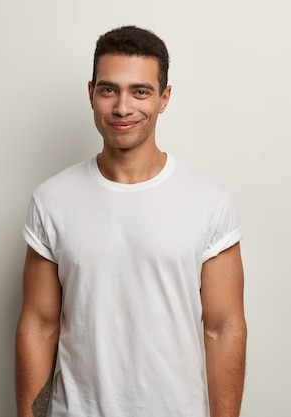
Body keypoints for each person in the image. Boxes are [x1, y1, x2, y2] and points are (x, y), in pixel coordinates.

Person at [15, 26, 247, 417]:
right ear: (91, 94)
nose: (123, 107)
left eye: (140, 91)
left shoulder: (209, 200)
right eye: (109, 90)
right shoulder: (52, 199)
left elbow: (224, 328)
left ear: (164, 98)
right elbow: (39, 325)